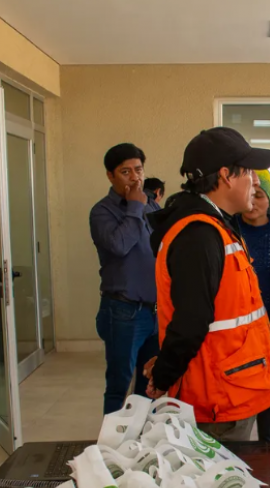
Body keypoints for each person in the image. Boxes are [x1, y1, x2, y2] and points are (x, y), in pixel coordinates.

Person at [143, 128, 270, 442]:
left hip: (229, 388)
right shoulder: (199, 235)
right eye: (248, 172)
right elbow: (191, 321)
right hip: (217, 401)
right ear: (225, 175)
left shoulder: (216, 226)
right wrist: (165, 375)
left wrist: (166, 363)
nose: (255, 181)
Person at [90, 144, 162, 414]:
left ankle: (141, 443)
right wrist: (134, 207)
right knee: (119, 383)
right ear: (110, 176)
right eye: (125, 171)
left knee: (150, 382)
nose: (135, 178)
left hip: (154, 309)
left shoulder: (150, 204)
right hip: (122, 310)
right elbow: (119, 245)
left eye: (139, 170)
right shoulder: (102, 212)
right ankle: (112, 445)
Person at [237, 169, 270, 443]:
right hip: (238, 326)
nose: (253, 202)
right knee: (242, 385)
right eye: (250, 194)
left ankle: (267, 443)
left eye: (260, 195)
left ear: (269, 198)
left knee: (267, 386)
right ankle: (239, 445)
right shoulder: (230, 229)